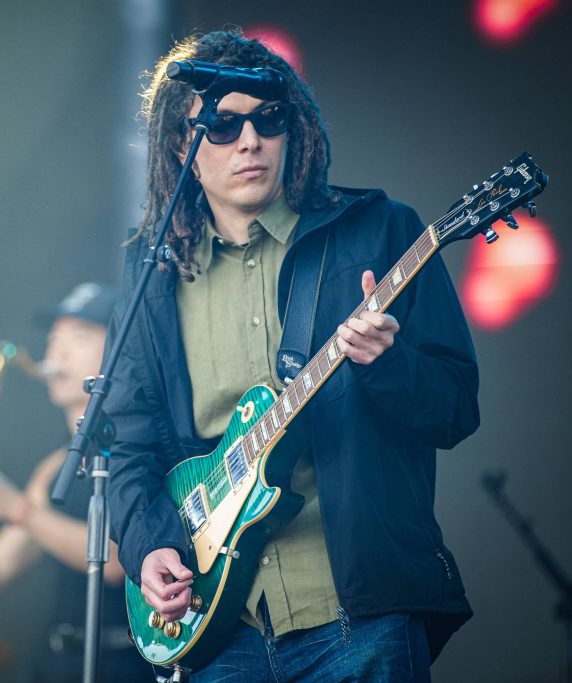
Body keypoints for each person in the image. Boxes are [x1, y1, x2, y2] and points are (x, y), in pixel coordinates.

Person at [105, 30, 480, 681]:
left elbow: (455, 409)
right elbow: (127, 442)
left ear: (293, 128)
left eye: (268, 119)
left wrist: (386, 363)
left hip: (358, 615)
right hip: (222, 626)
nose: (250, 141)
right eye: (223, 126)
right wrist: (148, 545)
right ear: (181, 147)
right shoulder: (153, 273)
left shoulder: (379, 231)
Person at [0, 282, 151, 683]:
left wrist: (15, 508)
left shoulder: (139, 448)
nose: (56, 354)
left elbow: (114, 561)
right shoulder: (54, 466)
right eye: (54, 339)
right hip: (58, 662)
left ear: (119, 349)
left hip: (126, 665)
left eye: (78, 338)